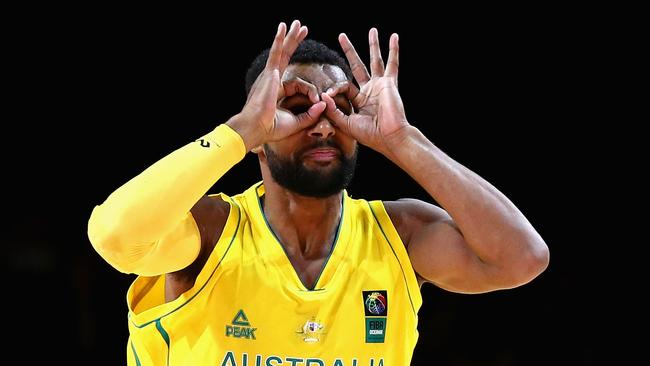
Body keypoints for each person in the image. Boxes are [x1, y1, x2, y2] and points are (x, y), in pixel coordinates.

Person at [88, 20, 549, 365]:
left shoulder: (400, 237)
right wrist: (238, 132)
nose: (323, 122)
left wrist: (404, 141)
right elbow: (115, 237)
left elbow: (522, 258)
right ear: (260, 132)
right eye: (296, 107)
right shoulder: (211, 232)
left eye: (340, 106)